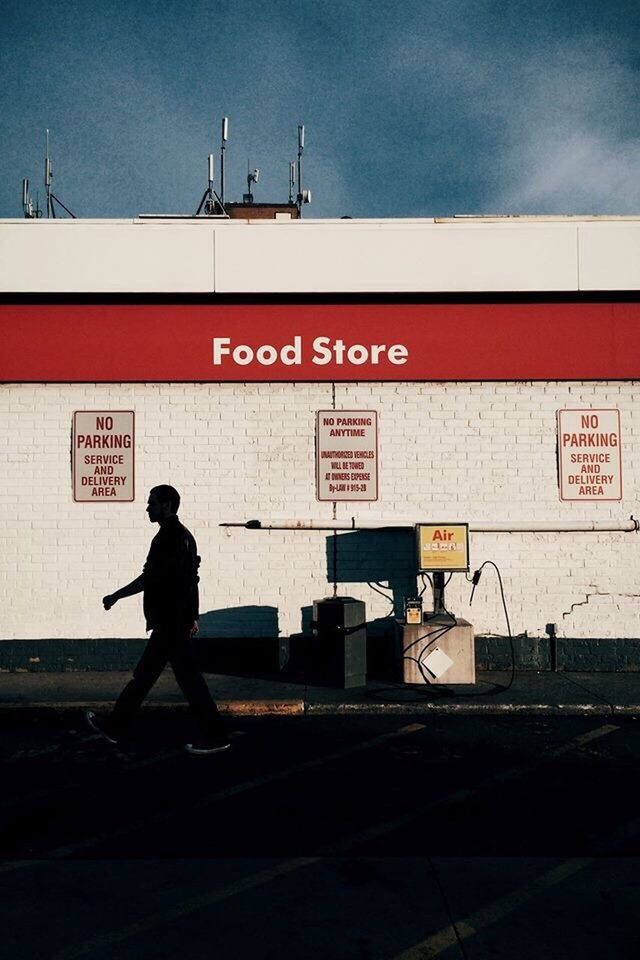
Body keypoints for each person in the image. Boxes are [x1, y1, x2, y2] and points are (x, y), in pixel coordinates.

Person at [86, 484, 229, 755]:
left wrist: (116, 595)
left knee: (180, 681)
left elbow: (151, 578)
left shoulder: (169, 538)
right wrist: (193, 616)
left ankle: (216, 735)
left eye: (151, 503)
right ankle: (115, 727)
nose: (147, 508)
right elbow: (191, 580)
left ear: (166, 505)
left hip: (170, 623)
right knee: (150, 677)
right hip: (174, 621)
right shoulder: (183, 536)